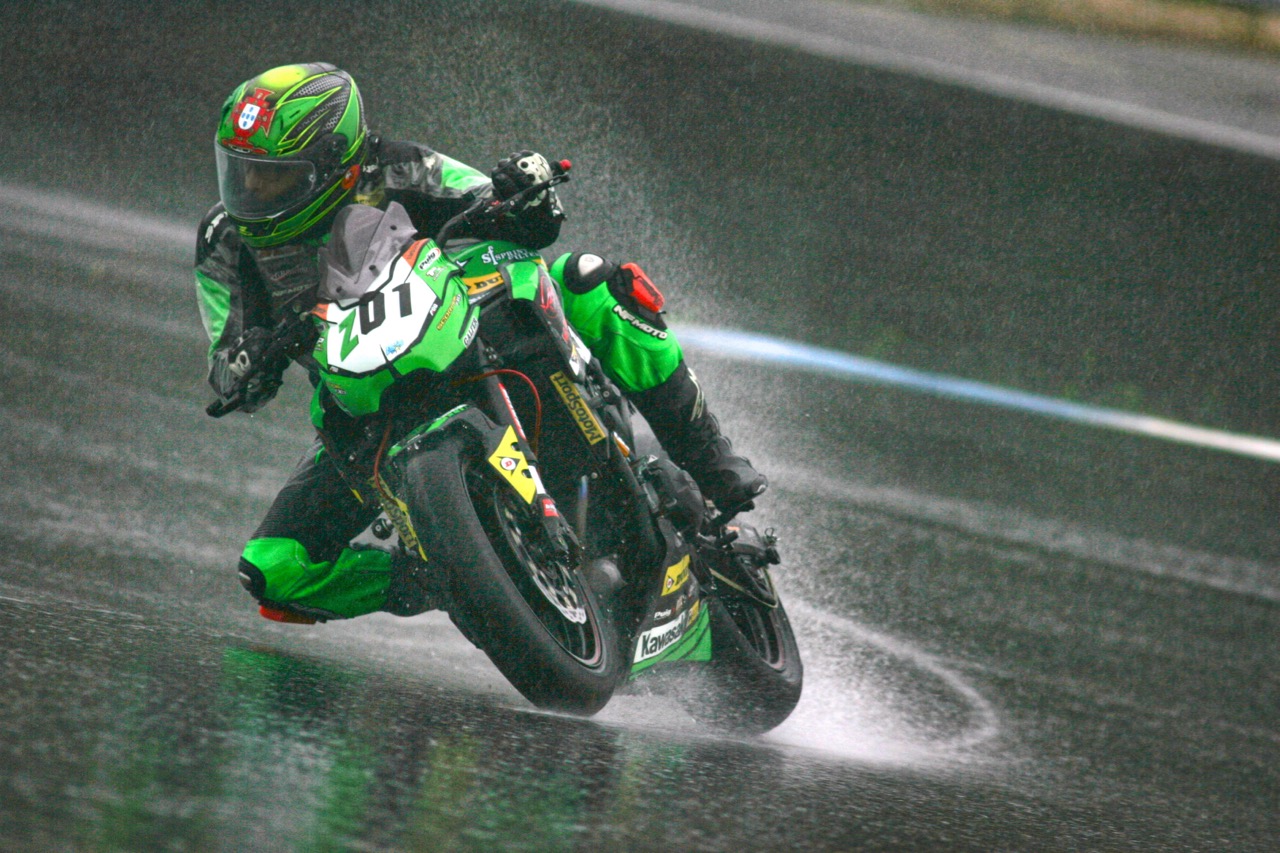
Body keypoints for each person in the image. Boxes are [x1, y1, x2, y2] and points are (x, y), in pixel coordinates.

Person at [195, 62, 766, 622]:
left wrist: (524, 189)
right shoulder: (224, 241)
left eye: (273, 177)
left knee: (587, 278)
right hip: (361, 401)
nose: (251, 192)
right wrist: (248, 363)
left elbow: (511, 213)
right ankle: (445, 575)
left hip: (451, 321)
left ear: (333, 163)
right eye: (240, 173)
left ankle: (711, 457)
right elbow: (225, 367)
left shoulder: (396, 167)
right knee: (272, 569)